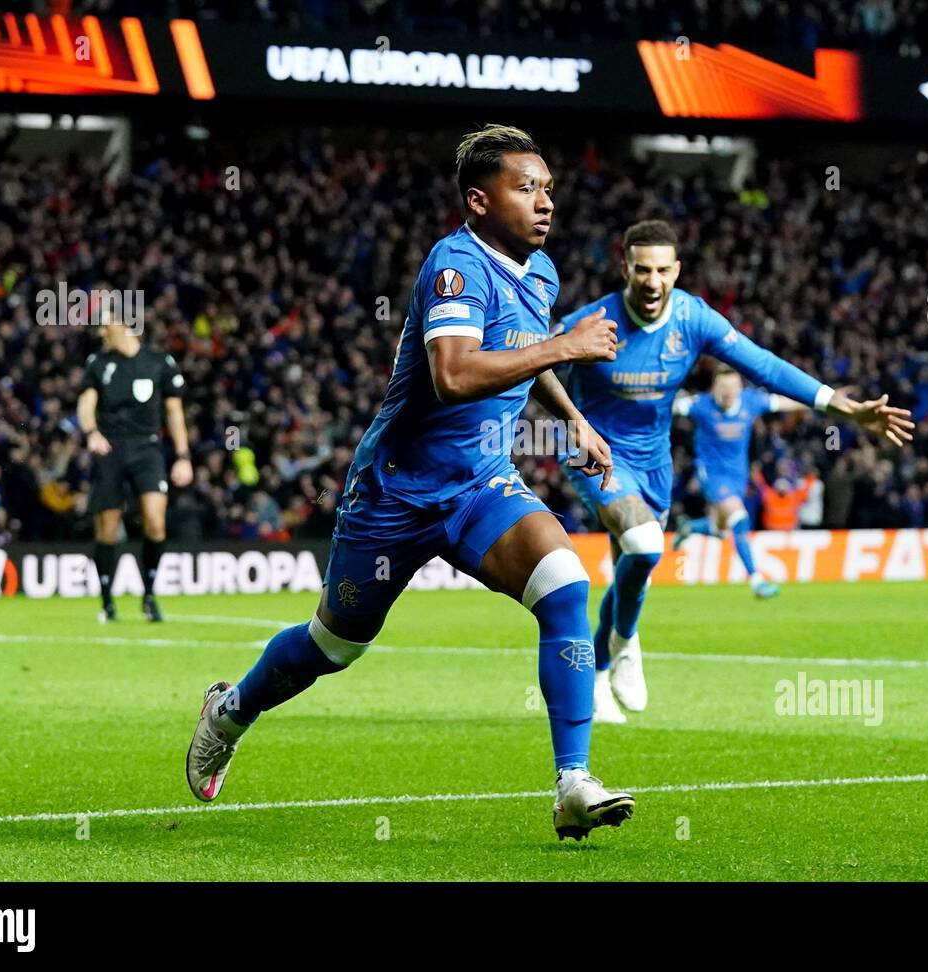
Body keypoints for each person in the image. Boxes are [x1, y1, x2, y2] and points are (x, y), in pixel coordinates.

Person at [185, 125, 636, 841]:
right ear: (478, 201)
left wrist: (575, 417)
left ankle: (573, 782)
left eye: (549, 187)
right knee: (334, 646)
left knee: (565, 583)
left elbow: (525, 352)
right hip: (395, 494)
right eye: (527, 188)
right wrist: (568, 345)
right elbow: (453, 374)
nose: (546, 202)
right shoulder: (454, 266)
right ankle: (231, 710)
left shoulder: (540, 273)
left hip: (481, 486)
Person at [558, 220, 914, 724]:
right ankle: (625, 643)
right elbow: (534, 360)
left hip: (655, 462)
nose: (653, 281)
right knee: (642, 544)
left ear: (677, 271)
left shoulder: (693, 319)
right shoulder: (592, 320)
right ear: (625, 269)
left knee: (631, 570)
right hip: (594, 454)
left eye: (663, 270)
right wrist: (566, 419)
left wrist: (844, 408)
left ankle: (598, 672)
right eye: (642, 269)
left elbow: (764, 366)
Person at [77, 321, 191, 622]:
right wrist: (91, 432)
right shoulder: (98, 363)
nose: (102, 332)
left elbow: (174, 412)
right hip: (110, 449)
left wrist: (182, 456)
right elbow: (86, 404)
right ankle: (107, 601)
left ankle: (150, 595)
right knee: (108, 527)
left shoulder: (159, 362)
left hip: (148, 448)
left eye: (107, 326)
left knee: (155, 521)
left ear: (128, 327)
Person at [672, 366, 810, 598]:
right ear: (714, 388)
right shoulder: (700, 404)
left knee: (720, 530)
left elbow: (784, 402)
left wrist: (824, 401)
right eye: (723, 387)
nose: (727, 392)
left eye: (732, 387)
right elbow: (668, 406)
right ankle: (756, 579)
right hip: (712, 474)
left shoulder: (751, 401)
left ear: (739, 388)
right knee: (739, 517)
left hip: (738, 475)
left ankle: (691, 527)